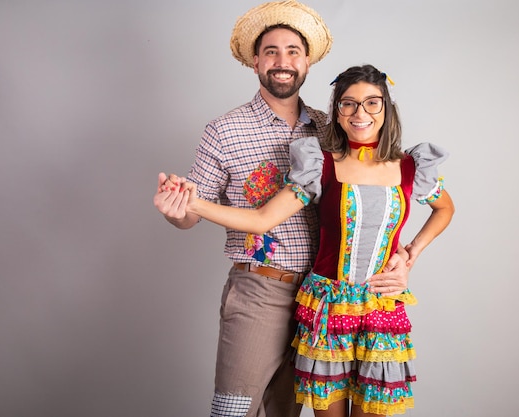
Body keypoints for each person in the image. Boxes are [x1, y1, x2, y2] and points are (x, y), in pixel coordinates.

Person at [153, 2, 410, 416]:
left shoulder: (334, 128)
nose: (282, 61)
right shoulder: (224, 130)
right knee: (235, 409)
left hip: (328, 299)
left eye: (293, 51)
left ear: (307, 61)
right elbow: (189, 216)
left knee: (288, 411)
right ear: (255, 61)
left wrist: (402, 259)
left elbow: (376, 204)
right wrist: (176, 207)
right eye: (271, 51)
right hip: (260, 293)